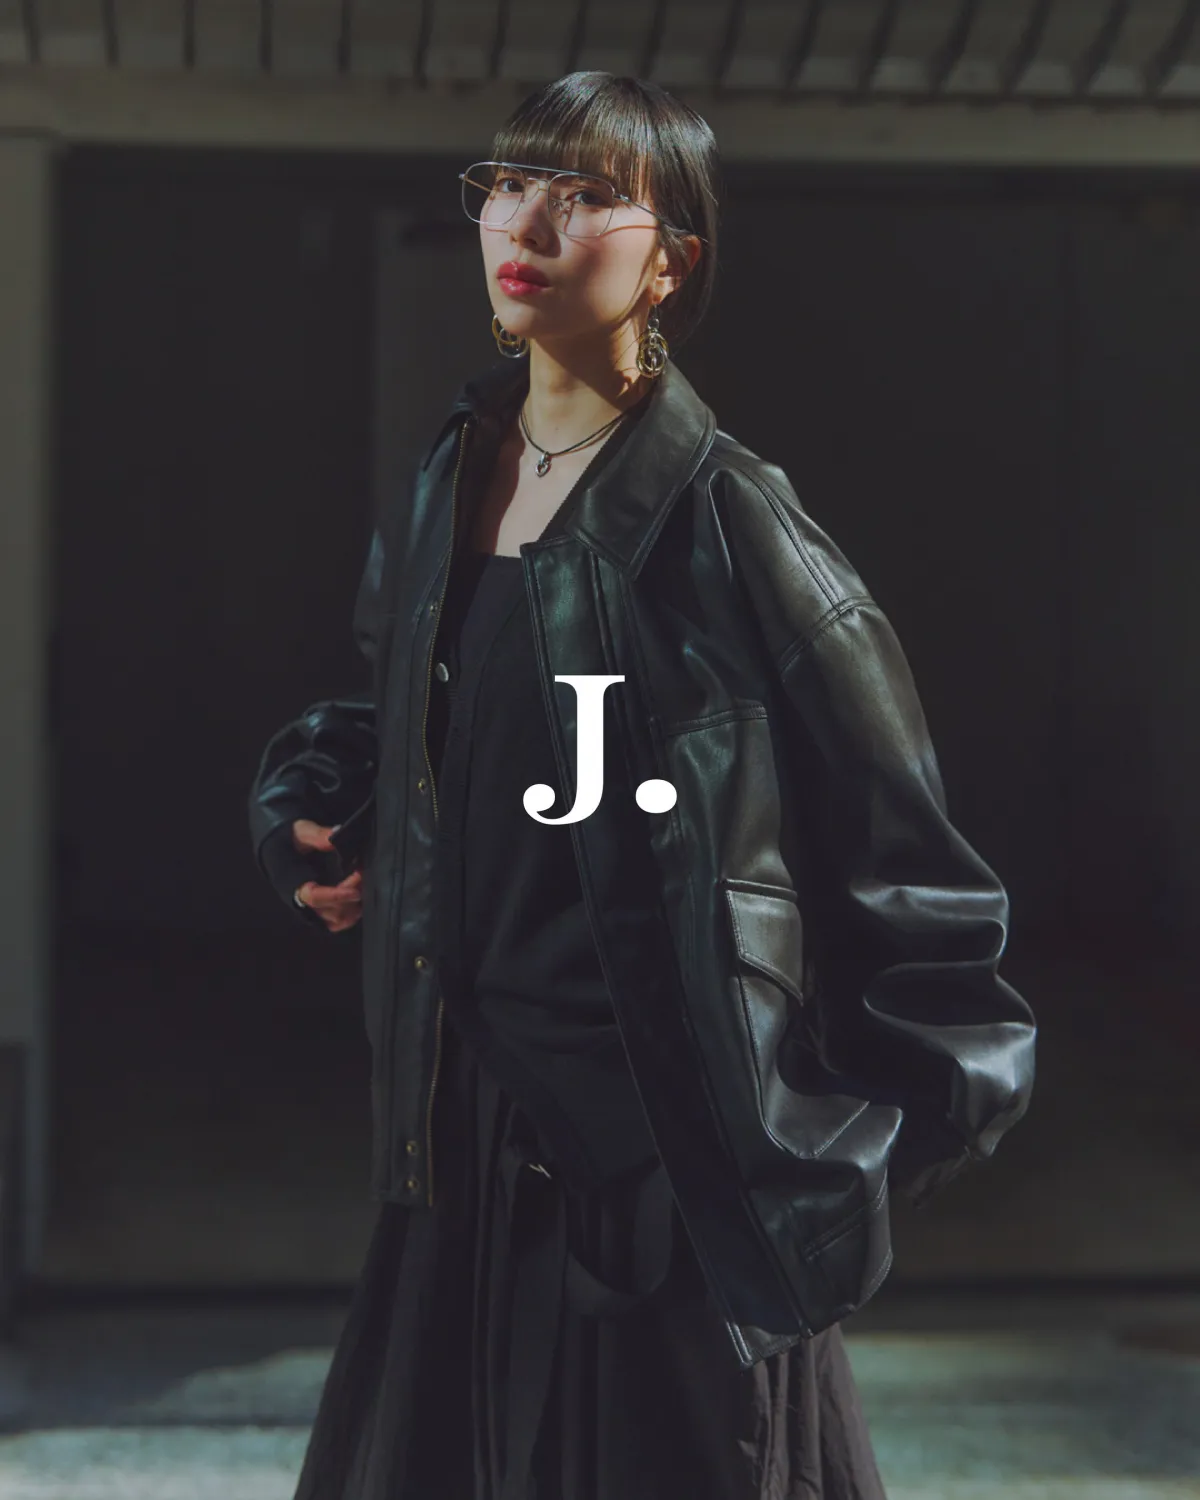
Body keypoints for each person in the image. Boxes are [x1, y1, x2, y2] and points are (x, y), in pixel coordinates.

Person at [249, 71, 1036, 1500]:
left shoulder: (733, 518)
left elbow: (923, 892)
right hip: (461, 1145)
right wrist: (333, 814)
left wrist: (804, 1165)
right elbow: (403, 711)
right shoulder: (455, 473)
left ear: (670, 261)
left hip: (666, 1186)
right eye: (508, 184)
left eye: (587, 193)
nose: (528, 220)